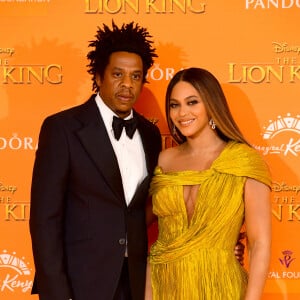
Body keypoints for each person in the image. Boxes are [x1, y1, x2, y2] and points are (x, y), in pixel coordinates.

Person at [29, 21, 162, 300]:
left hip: (135, 282)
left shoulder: (150, 135)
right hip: (80, 284)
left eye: (136, 76)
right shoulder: (62, 128)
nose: (127, 85)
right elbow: (45, 220)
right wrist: (56, 293)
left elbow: (148, 208)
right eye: (117, 74)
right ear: (99, 76)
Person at [145, 68, 272, 300]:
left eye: (192, 102)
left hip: (220, 285)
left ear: (211, 104)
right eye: (174, 105)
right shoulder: (163, 160)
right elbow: (135, 222)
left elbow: (259, 243)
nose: (182, 113)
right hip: (161, 283)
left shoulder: (243, 161)